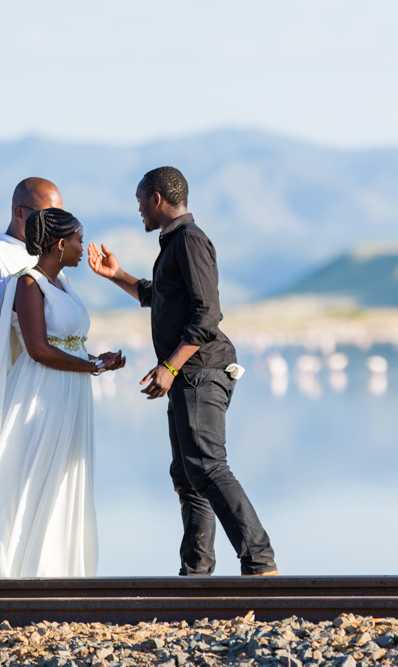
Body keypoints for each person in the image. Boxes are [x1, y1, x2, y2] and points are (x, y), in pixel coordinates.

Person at [87, 166, 278, 577]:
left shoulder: (190, 241)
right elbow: (159, 297)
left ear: (156, 199)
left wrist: (170, 366)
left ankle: (260, 563)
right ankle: (196, 576)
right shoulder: (174, 244)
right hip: (188, 375)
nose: (139, 210)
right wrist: (116, 274)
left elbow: (207, 316)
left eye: (140, 201)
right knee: (189, 477)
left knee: (208, 467)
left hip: (200, 372)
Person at [0, 208, 126, 578]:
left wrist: (99, 359)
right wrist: (90, 367)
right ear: (60, 243)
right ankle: (26, 567)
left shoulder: (63, 284)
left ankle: (58, 567)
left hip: (71, 390)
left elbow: (64, 342)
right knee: (37, 474)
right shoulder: (29, 284)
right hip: (43, 392)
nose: (84, 248)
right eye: (79, 240)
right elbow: (37, 348)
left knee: (65, 477)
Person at [0, 178, 63, 414]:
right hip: (6, 394)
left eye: (59, 218)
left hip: (35, 390)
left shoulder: (39, 257)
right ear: (19, 212)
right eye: (47, 217)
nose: (54, 225)